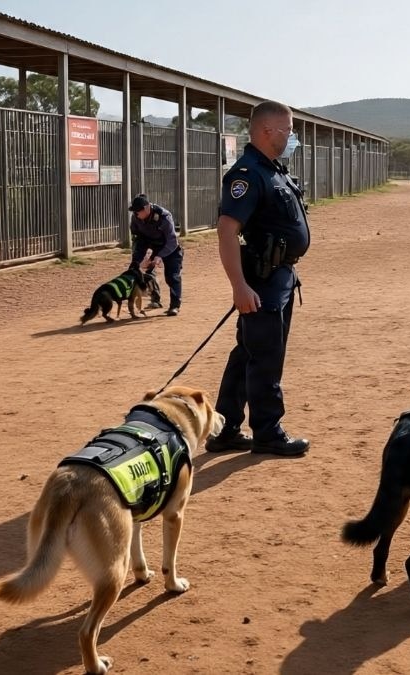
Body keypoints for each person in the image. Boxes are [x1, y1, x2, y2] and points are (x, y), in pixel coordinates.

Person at [206, 101, 310, 456]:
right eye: (289, 129)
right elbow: (226, 230)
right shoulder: (248, 173)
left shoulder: (272, 170)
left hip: (279, 277)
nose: (293, 137)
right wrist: (239, 286)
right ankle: (268, 432)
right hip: (262, 281)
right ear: (268, 131)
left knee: (247, 353)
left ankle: (224, 428)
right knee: (265, 357)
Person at [128, 194, 183, 316]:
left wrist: (160, 256)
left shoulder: (164, 216)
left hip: (170, 247)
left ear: (147, 208)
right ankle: (155, 299)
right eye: (135, 212)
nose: (136, 215)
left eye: (138, 212)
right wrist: (141, 258)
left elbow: (172, 241)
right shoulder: (136, 217)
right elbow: (137, 237)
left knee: (172, 276)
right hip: (150, 244)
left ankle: (175, 306)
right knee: (137, 270)